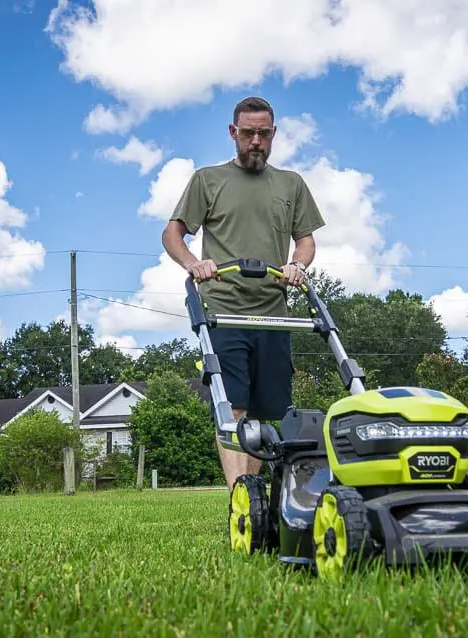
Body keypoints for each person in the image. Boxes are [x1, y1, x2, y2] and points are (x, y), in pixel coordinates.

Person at [161, 96, 326, 490]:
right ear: (233, 133)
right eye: (248, 133)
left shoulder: (291, 184)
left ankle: (251, 498)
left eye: (263, 134)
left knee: (266, 410)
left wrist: (297, 267)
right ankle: (240, 496)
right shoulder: (208, 180)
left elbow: (305, 242)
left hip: (272, 311)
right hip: (224, 309)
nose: (256, 141)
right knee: (234, 406)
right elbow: (173, 233)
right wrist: (193, 264)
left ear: (274, 135)